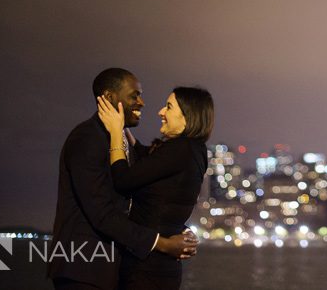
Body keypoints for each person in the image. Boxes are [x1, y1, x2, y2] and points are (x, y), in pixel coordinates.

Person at [49, 68, 198, 290]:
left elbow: (146, 196)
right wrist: (162, 243)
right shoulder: (87, 138)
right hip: (84, 269)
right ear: (110, 98)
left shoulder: (120, 139)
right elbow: (101, 213)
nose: (142, 102)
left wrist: (176, 228)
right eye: (134, 95)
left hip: (111, 267)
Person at [97, 86, 213, 290]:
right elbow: (147, 160)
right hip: (164, 265)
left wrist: (116, 132)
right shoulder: (196, 151)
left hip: (146, 266)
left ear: (187, 116)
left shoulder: (179, 149)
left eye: (168, 107)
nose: (160, 112)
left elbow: (123, 180)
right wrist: (124, 127)